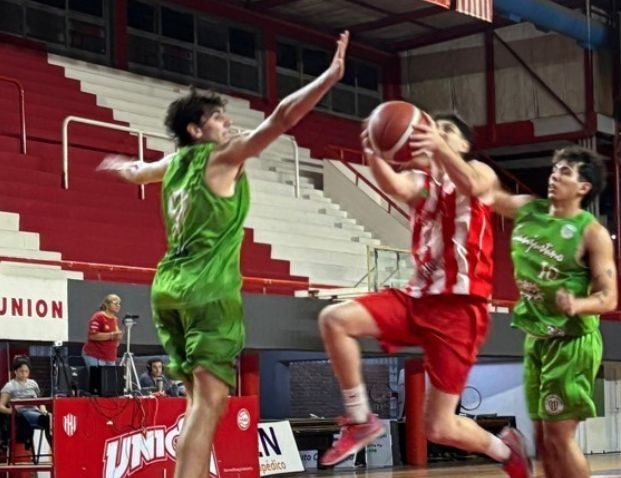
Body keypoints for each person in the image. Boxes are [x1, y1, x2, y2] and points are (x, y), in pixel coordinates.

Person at [98, 31, 349, 478]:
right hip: (208, 289)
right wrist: (329, 77)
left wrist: (118, 166)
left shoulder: (172, 164)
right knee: (212, 401)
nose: (227, 123)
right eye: (217, 118)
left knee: (197, 401)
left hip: (168, 288)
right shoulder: (222, 156)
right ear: (196, 131)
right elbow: (281, 118)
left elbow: (137, 172)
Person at [318, 113, 531, 477]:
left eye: (446, 130)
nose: (435, 133)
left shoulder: (480, 172)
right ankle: (360, 418)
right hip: (416, 298)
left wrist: (438, 147)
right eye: (432, 128)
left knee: (439, 428)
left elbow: (471, 185)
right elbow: (396, 186)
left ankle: (504, 448)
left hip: (460, 309)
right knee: (334, 319)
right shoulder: (423, 182)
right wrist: (374, 154)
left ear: (463, 144)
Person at [493, 145, 617, 478]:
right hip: (536, 338)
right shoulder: (529, 209)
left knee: (560, 438)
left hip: (571, 342)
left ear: (583, 187)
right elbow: (488, 195)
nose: (554, 176)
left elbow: (609, 298)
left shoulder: (592, 233)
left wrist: (578, 304)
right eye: (554, 170)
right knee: (542, 439)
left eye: (565, 172)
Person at [0, 357, 51, 450]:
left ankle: (55, 449)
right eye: (21, 371)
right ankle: (28, 440)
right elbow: (1, 406)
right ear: (15, 371)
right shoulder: (9, 386)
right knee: (42, 420)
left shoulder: (33, 383)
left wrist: (43, 410)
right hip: (21, 414)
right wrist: (11, 411)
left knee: (50, 419)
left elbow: (41, 401)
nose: (24, 374)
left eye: (26, 371)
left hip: (35, 411)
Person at [82, 294, 123, 366]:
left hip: (110, 357)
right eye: (115, 303)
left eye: (119, 304)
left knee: (111, 374)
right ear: (107, 304)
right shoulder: (99, 316)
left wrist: (118, 337)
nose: (118, 306)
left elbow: (115, 336)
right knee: (97, 374)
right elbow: (92, 336)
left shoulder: (115, 319)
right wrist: (112, 335)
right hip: (95, 356)